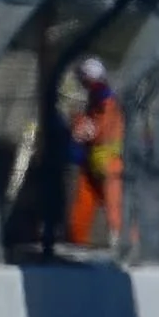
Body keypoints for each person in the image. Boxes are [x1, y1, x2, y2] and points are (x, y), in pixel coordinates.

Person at [67, 57, 125, 248]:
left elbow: (100, 129)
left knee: (114, 208)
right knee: (84, 208)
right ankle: (78, 243)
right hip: (93, 162)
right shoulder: (97, 98)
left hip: (108, 163)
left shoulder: (104, 97)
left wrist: (84, 127)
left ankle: (123, 244)